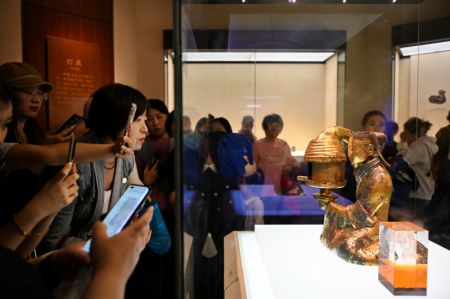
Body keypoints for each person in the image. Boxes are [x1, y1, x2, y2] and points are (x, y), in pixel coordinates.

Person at [42, 83, 148, 251]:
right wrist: (102, 248)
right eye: (139, 120)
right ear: (118, 119)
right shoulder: (75, 163)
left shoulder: (126, 157)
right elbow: (53, 240)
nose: (145, 129)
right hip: (70, 261)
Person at [396, 117, 438, 222]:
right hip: (426, 191)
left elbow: (403, 160)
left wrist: (402, 142)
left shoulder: (420, 146)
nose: (404, 133)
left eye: (405, 131)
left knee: (413, 226)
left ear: (413, 132)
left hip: (420, 193)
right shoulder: (428, 144)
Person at [253, 113, 300, 195]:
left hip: (282, 190)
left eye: (277, 125)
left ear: (281, 128)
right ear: (265, 127)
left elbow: (291, 163)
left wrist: (295, 165)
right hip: (263, 191)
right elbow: (252, 169)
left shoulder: (283, 144)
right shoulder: (257, 145)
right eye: (271, 125)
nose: (274, 128)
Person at [425, 110, 450, 232]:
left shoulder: (444, 132)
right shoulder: (444, 132)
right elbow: (438, 154)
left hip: (444, 172)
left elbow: (437, 155)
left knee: (438, 200)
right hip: (445, 172)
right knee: (439, 200)